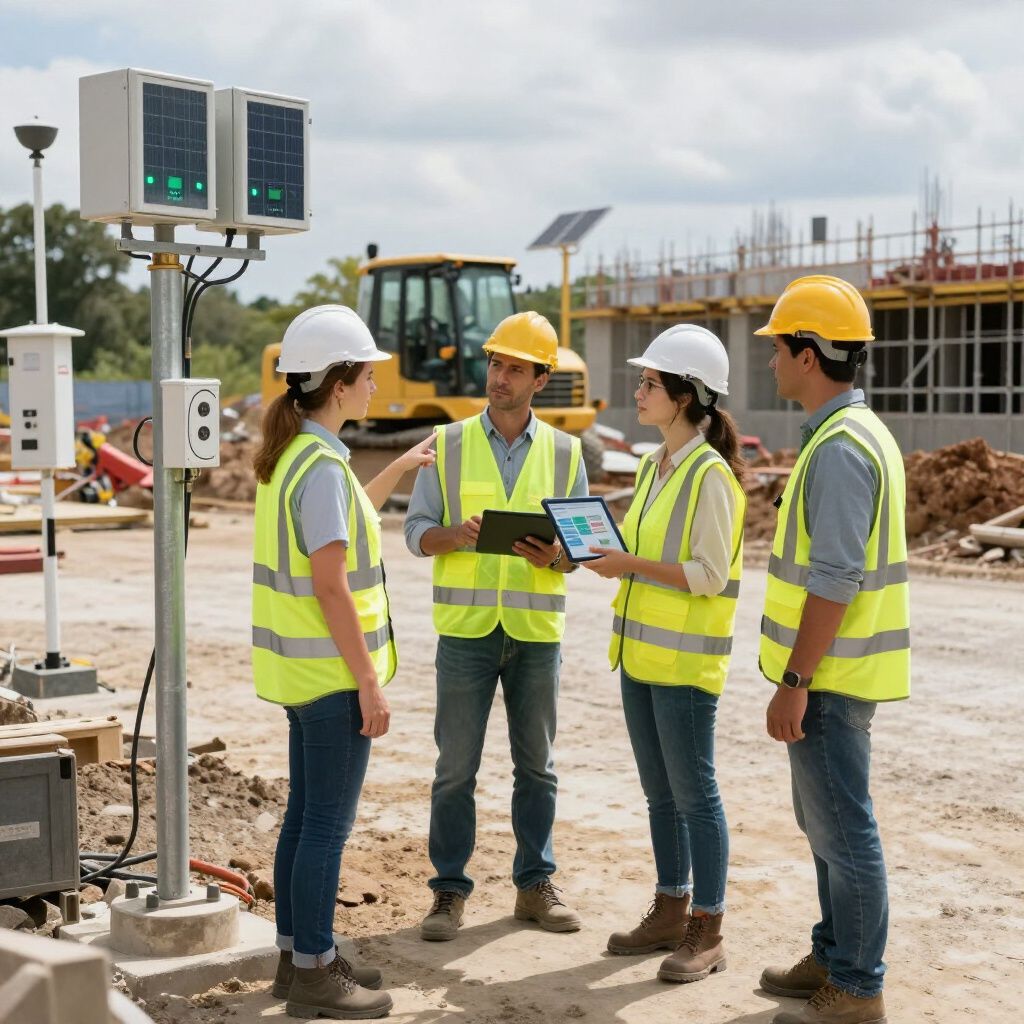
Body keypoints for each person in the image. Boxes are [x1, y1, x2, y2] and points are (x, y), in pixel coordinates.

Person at [251, 304, 435, 1020]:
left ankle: (296, 960)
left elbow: (345, 512)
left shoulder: (297, 456)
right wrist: (368, 681)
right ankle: (318, 971)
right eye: (367, 376)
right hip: (332, 678)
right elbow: (331, 582)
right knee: (325, 825)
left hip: (301, 677)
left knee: (305, 818)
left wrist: (396, 465)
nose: (374, 389)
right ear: (340, 384)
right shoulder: (319, 466)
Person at [404, 311, 588, 940]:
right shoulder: (447, 443)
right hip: (467, 631)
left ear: (541, 378)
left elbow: (581, 548)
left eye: (514, 368)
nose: (499, 377)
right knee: (455, 767)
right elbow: (412, 531)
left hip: (535, 635)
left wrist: (556, 557)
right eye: (494, 363)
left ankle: (535, 886)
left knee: (537, 767)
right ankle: (448, 892)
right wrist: (452, 536)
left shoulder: (568, 453)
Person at [755, 276, 909, 1024]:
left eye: (778, 349)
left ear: (808, 355)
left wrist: (795, 679)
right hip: (835, 674)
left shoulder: (843, 449)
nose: (772, 363)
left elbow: (837, 578)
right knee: (824, 825)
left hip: (831, 677)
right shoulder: (847, 434)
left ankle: (856, 986)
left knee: (845, 831)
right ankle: (833, 952)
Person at [583, 324, 745, 984]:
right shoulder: (654, 465)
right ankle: (671, 909)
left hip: (683, 665)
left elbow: (705, 573)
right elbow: (647, 555)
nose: (638, 390)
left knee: (695, 796)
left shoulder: (711, 476)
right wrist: (594, 554)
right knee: (659, 796)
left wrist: (627, 563)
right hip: (642, 657)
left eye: (649, 383)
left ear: (682, 396)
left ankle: (708, 930)